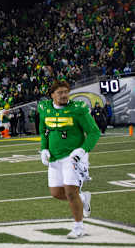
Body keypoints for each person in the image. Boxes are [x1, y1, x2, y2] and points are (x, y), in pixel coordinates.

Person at [38, 80, 101, 239]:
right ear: (52, 95)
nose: (64, 95)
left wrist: (82, 149)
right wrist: (44, 148)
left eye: (66, 92)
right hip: (54, 156)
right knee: (56, 193)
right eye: (60, 92)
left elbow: (94, 132)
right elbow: (44, 129)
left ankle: (79, 227)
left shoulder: (77, 109)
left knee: (70, 192)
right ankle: (83, 198)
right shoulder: (45, 108)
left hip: (73, 157)